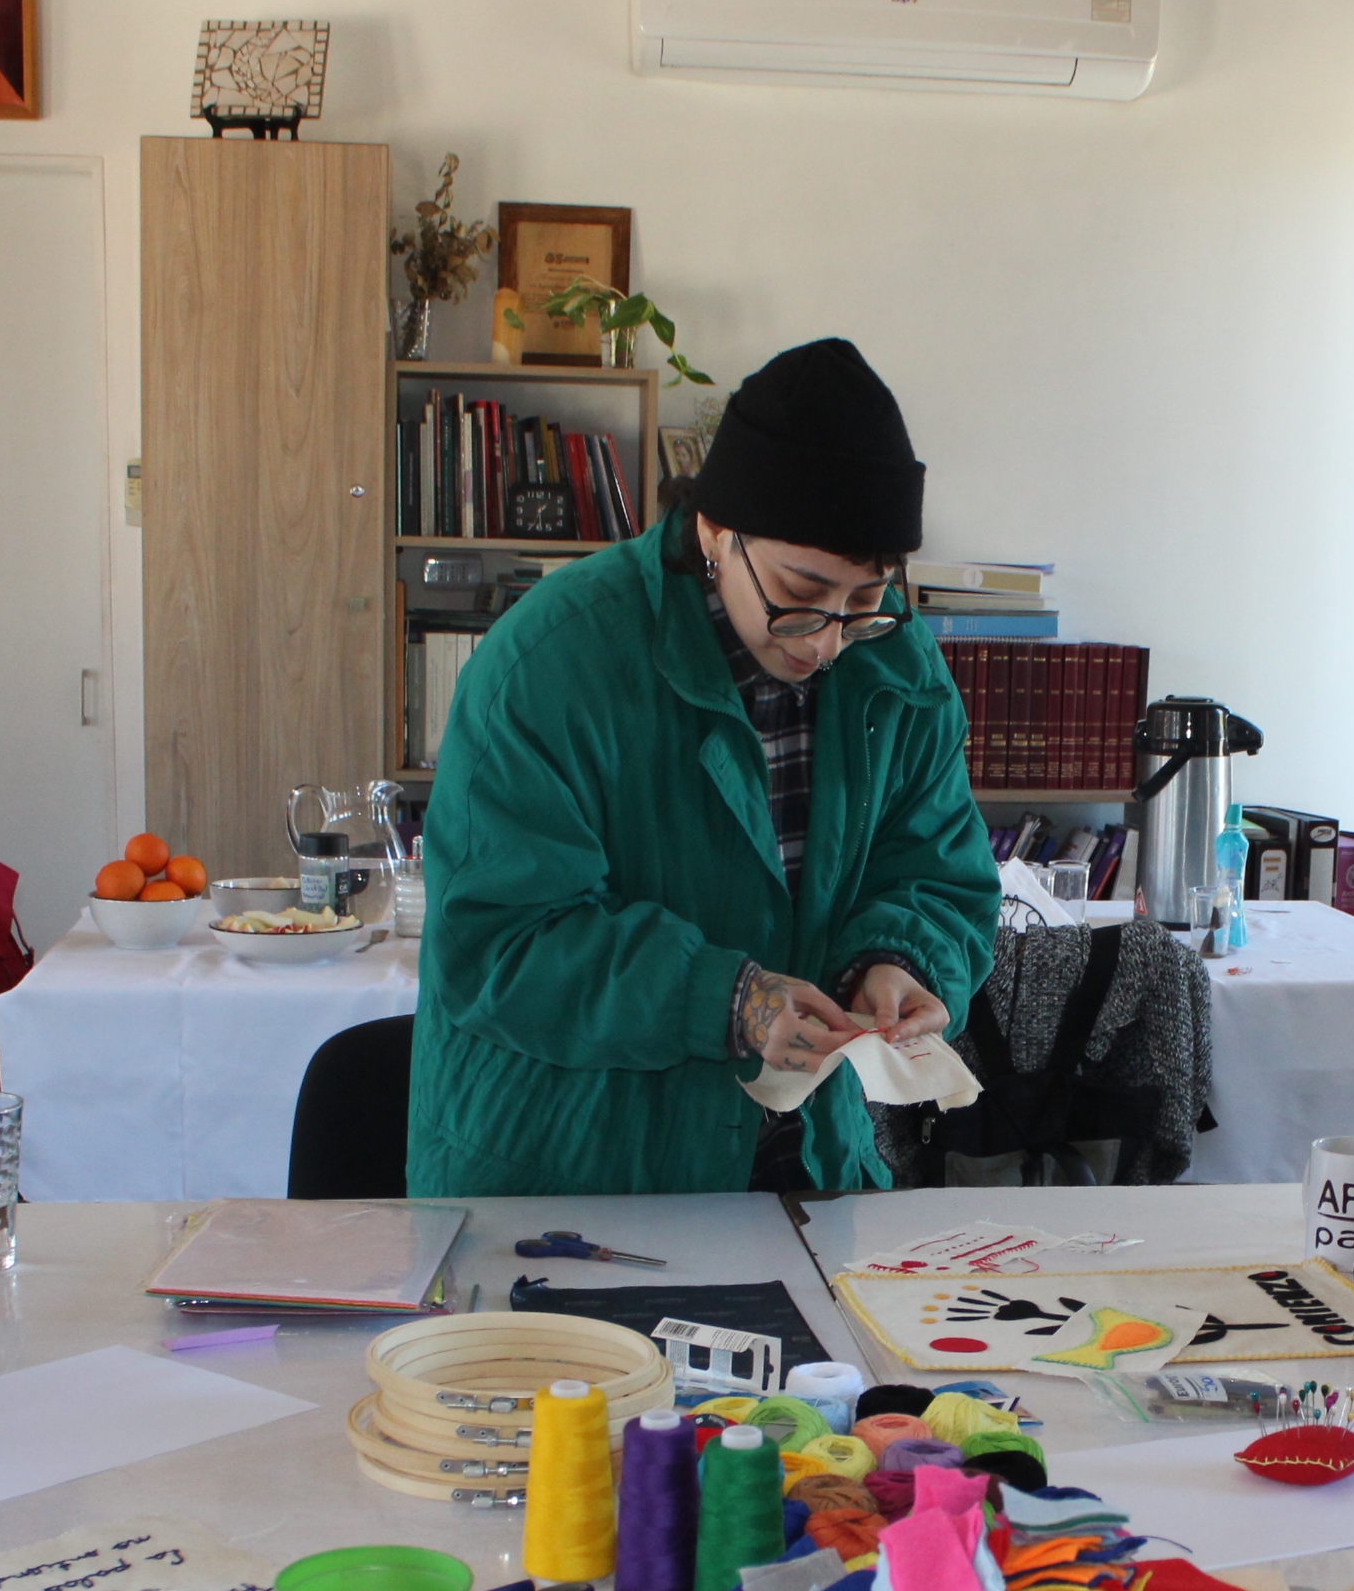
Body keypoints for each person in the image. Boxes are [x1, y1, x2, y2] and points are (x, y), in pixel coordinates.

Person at [408, 338, 999, 1196]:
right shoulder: (549, 665)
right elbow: (501, 943)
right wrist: (729, 1000)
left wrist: (898, 960)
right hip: (568, 1170)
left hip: (803, 1166)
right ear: (717, 533)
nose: (829, 640)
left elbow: (941, 877)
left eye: (864, 602)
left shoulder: (898, 671)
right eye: (801, 593)